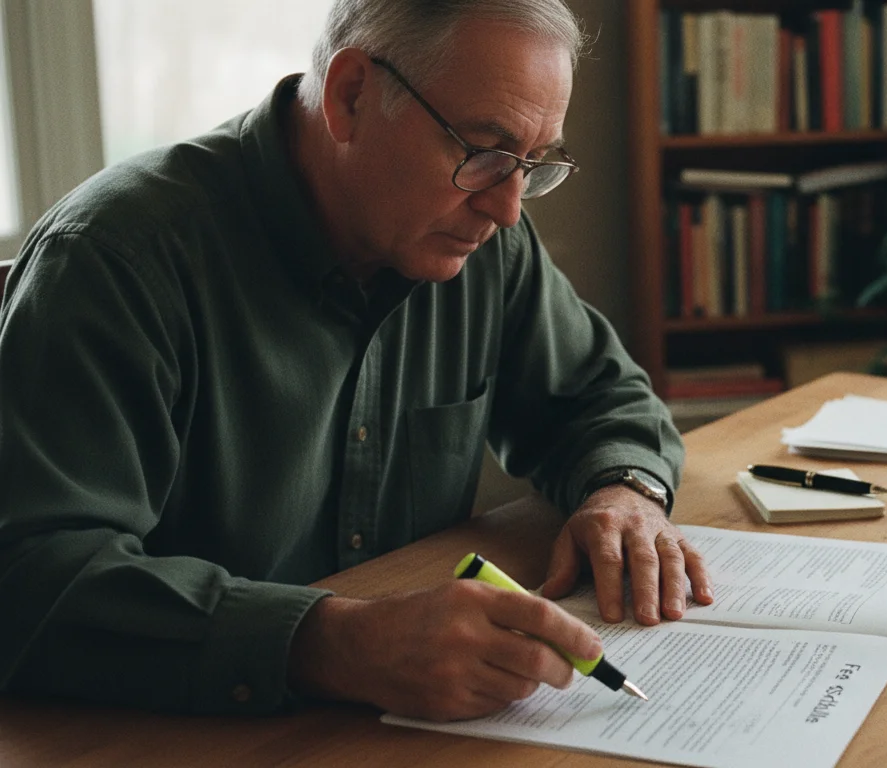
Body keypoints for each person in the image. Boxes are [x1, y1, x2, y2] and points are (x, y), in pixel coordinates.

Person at [0, 0, 713, 722]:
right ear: (351, 96)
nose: (507, 208)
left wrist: (624, 492)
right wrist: (331, 643)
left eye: (535, 164)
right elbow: (29, 577)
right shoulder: (114, 261)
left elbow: (601, 394)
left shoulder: (486, 246)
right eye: (484, 151)